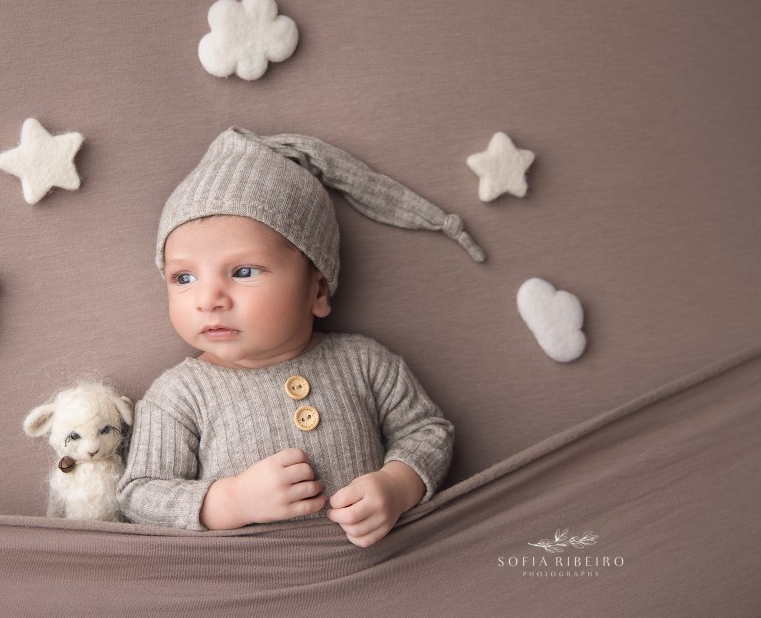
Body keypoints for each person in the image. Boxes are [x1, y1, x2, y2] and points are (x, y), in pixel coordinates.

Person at [117, 127, 485, 547]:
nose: (208, 299)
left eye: (243, 272)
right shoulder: (179, 395)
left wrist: (397, 486)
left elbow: (428, 431)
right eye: (183, 277)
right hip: (253, 586)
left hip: (377, 569)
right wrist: (231, 501)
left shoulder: (363, 362)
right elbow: (140, 493)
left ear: (318, 290)